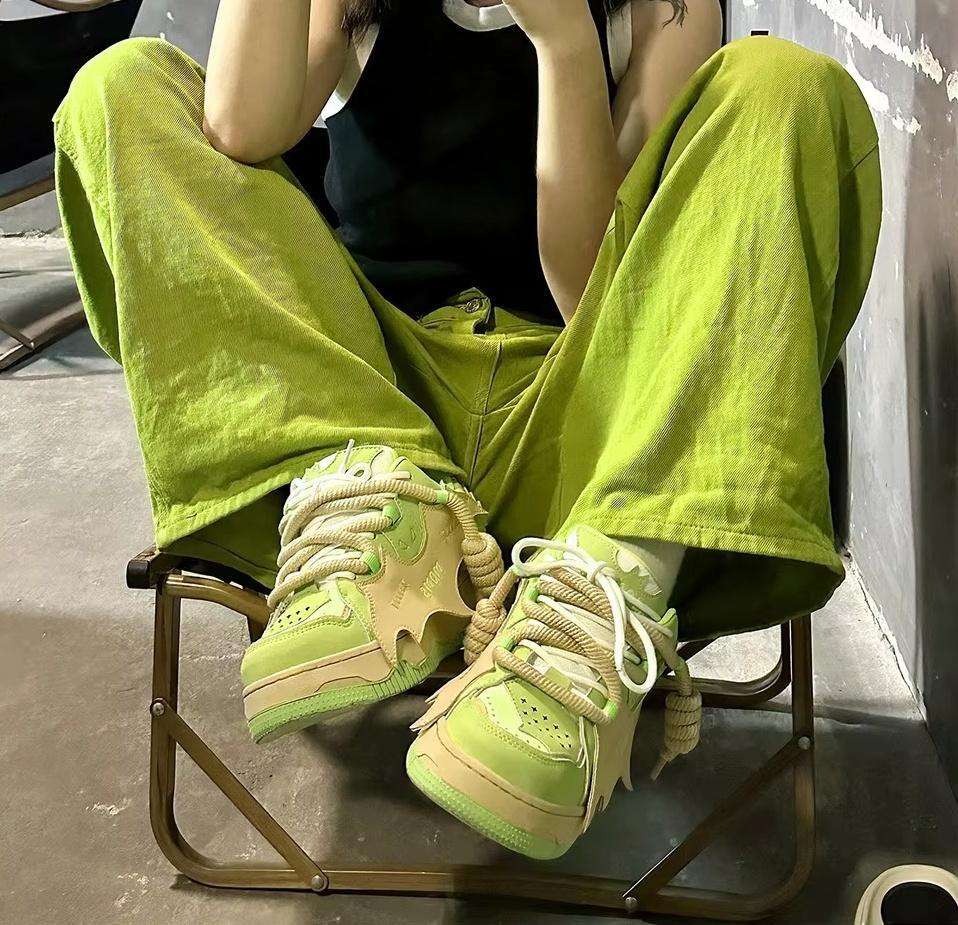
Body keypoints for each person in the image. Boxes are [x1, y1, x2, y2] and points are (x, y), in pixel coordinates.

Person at [53, 0, 880, 859]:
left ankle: (613, 584)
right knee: (124, 86)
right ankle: (381, 522)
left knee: (783, 83)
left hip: (585, 430)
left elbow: (602, 292)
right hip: (371, 414)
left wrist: (564, 43)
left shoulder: (662, 10)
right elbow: (237, 129)